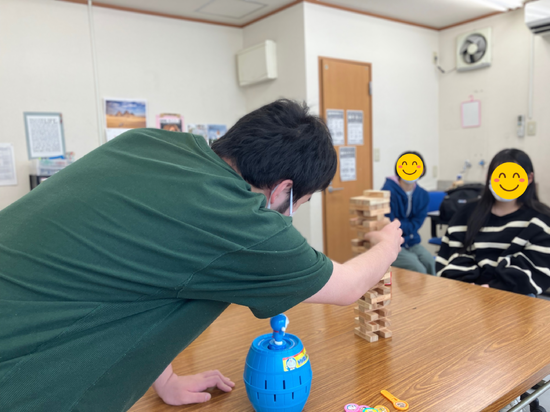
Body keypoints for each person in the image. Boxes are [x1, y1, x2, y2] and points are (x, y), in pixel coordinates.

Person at [0, 99, 403, 411]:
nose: (292, 213)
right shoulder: (239, 220)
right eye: (302, 201)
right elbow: (348, 286)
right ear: (284, 190)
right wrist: (388, 243)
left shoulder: (147, 143)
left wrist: (164, 378)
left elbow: (137, 272)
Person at [436, 149, 550, 295]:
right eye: (500, 176)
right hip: (467, 292)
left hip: (515, 294)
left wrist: (494, 288)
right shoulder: (466, 214)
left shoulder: (541, 220)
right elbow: (453, 253)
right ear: (489, 177)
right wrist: (469, 286)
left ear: (529, 178)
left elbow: (537, 266)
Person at [382, 151, 435, 275]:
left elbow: (417, 223)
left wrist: (400, 224)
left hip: (412, 241)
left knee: (430, 262)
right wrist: (404, 226)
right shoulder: (387, 192)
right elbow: (389, 223)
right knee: (418, 268)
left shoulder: (423, 195)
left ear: (422, 170)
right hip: (392, 243)